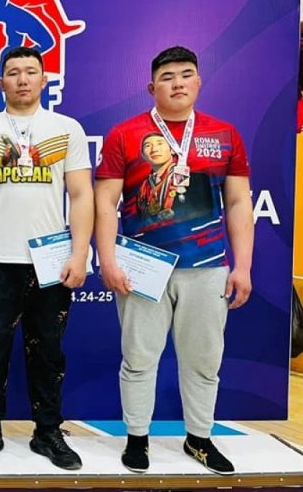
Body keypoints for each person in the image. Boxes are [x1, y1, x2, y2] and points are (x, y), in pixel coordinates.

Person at [95, 46, 254, 475]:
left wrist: (242, 266)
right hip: (142, 267)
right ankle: (136, 439)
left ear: (198, 82)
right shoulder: (124, 134)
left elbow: (239, 202)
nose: (177, 83)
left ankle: (199, 439)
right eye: (167, 77)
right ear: (152, 87)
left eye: (186, 75)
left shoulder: (225, 134)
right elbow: (105, 202)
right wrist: (107, 259)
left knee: (204, 360)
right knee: (139, 357)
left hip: (208, 266)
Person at [0, 47, 93, 469]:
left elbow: (81, 194)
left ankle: (48, 431)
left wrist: (80, 253)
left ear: (44, 79)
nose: (22, 79)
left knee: (48, 352)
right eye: (13, 72)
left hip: (51, 262)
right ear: (0, 82)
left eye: (30, 72)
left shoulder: (67, 129)